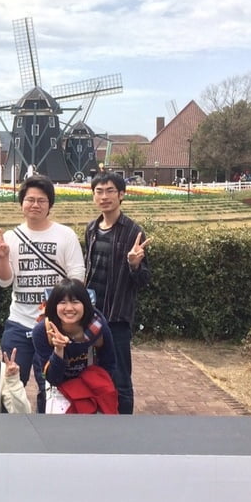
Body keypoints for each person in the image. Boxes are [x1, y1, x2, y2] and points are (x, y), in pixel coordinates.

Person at [0, 174, 85, 412]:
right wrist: (3, 258)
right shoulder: (11, 237)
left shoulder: (65, 235)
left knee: (52, 386)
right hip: (19, 323)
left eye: (41, 200)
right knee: (10, 384)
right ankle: (9, 429)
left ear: (50, 204)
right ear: (21, 203)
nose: (35, 205)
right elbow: (4, 281)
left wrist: (61, 312)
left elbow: (77, 278)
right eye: (30, 199)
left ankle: (48, 429)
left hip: (55, 326)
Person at [85, 171, 150, 415]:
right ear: (93, 196)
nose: (104, 197)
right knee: (91, 371)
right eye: (99, 191)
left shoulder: (133, 232)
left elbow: (143, 280)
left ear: (121, 194)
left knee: (120, 376)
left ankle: (124, 424)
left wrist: (134, 264)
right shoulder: (91, 229)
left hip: (117, 317)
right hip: (91, 315)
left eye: (110, 191)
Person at [32, 279, 116, 413]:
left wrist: (95, 386)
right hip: (58, 387)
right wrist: (58, 350)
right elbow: (53, 379)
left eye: (75, 302)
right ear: (54, 305)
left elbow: (109, 363)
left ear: (85, 304)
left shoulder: (98, 326)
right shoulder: (43, 331)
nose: (69, 308)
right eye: (62, 302)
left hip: (88, 384)